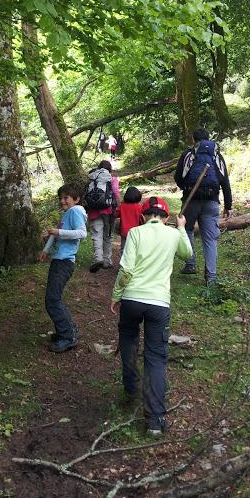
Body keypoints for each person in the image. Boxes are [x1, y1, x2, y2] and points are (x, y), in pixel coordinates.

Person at [110, 197, 192, 435]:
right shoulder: (174, 234)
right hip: (158, 302)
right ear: (165, 217)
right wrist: (182, 228)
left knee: (128, 338)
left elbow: (126, 269)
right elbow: (187, 255)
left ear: (143, 215)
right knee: (156, 357)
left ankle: (130, 383)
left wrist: (116, 295)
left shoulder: (135, 233)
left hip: (132, 298)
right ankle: (154, 420)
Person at [174, 127, 232, 283]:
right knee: (210, 239)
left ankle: (190, 263)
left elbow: (178, 177)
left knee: (187, 229)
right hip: (212, 201)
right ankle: (211, 277)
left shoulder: (188, 154)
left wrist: (186, 188)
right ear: (208, 139)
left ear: (194, 139)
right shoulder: (217, 156)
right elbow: (225, 181)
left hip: (191, 200)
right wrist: (228, 205)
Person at [39, 183, 87, 353]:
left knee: (52, 300)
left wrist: (58, 233)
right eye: (61, 198)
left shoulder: (75, 211)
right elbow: (56, 233)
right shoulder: (66, 214)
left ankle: (68, 336)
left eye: (66, 198)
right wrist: (46, 251)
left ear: (76, 199)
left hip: (64, 262)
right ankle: (67, 330)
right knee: (54, 298)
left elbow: (82, 233)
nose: (62, 201)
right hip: (59, 260)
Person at [86, 160, 119, 273]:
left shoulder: (92, 178)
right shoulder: (112, 179)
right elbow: (115, 192)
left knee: (97, 235)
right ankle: (107, 261)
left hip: (94, 210)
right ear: (109, 169)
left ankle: (98, 258)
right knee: (108, 235)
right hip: (108, 211)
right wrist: (117, 206)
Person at [115, 186, 143, 252]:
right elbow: (142, 219)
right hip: (136, 232)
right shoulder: (139, 207)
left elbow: (115, 214)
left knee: (124, 249)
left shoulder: (122, 206)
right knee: (135, 249)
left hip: (124, 231)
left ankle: (123, 261)